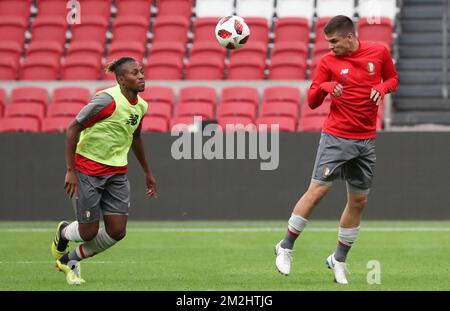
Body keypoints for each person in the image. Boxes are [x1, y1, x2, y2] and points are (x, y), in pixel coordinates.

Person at [274, 15, 399, 284]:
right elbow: (311, 100)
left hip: (365, 141)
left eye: (333, 41)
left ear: (350, 37)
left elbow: (393, 78)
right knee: (317, 191)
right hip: (336, 138)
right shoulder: (327, 62)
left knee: (359, 201)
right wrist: (326, 86)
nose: (330, 47)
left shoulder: (379, 52)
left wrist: (382, 87)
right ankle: (285, 246)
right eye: (328, 42)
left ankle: (339, 259)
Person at [51, 57, 158, 285]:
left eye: (141, 71)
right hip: (87, 170)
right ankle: (63, 232)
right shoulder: (106, 101)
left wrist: (147, 172)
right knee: (88, 232)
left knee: (117, 231)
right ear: (120, 79)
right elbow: (73, 128)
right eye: (134, 73)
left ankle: (69, 259)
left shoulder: (141, 105)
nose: (141, 76)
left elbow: (135, 137)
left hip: (117, 173)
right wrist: (71, 170)